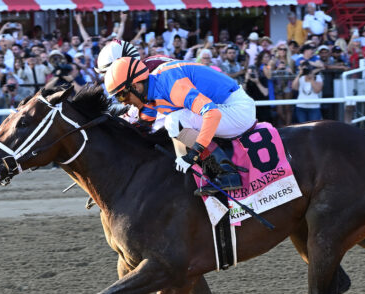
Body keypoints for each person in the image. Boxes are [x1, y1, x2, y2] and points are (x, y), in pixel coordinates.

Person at [104, 57, 256, 195]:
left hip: (238, 111)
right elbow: (142, 126)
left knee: (173, 121)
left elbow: (212, 114)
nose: (122, 102)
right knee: (171, 122)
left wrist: (193, 154)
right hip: (225, 108)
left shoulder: (172, 85)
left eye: (121, 95)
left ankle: (226, 172)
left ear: (136, 86)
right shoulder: (151, 90)